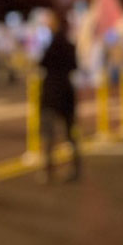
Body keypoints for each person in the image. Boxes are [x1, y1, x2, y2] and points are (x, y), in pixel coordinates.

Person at [38, 10, 81, 183]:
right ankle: (76, 168)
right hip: (67, 91)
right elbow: (75, 66)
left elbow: (42, 64)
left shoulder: (52, 44)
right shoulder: (70, 44)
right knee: (70, 132)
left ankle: (48, 170)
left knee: (49, 134)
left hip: (51, 92)